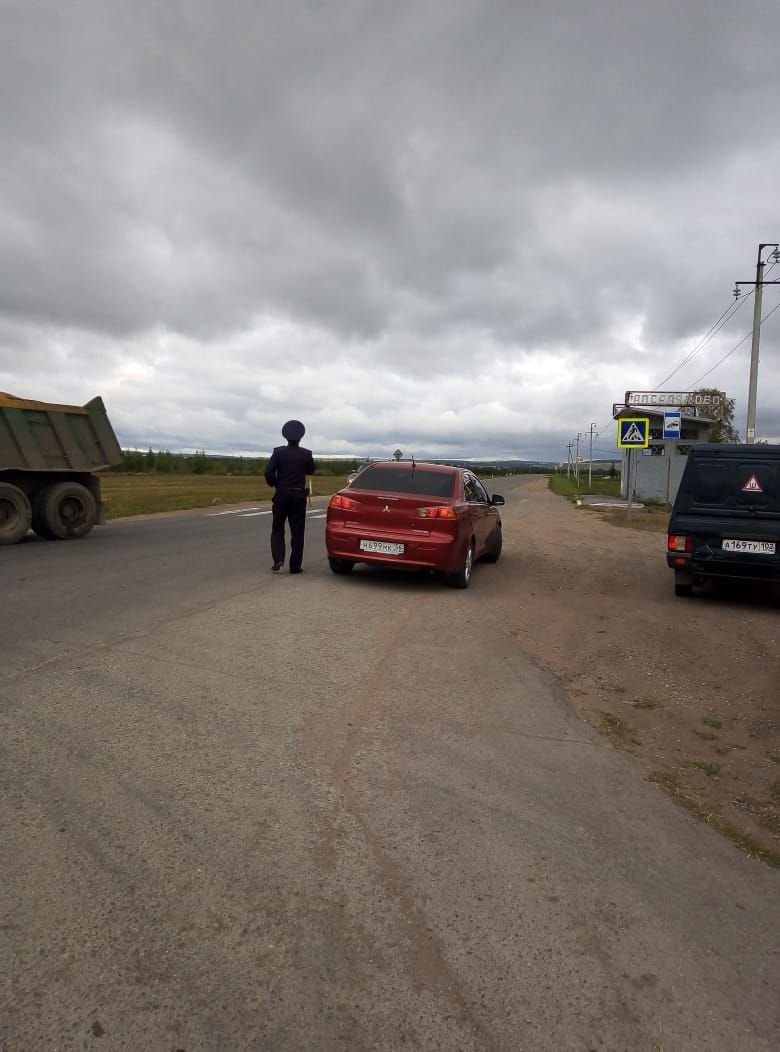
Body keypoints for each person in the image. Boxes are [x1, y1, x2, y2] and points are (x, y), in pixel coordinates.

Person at [264, 419, 316, 574]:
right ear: (301, 436)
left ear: (285, 436)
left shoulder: (278, 452)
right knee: (298, 532)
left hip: (282, 495)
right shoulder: (306, 454)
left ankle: (278, 559)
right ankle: (295, 566)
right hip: (299, 496)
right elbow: (311, 470)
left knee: (277, 528)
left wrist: (276, 485)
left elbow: (268, 473)